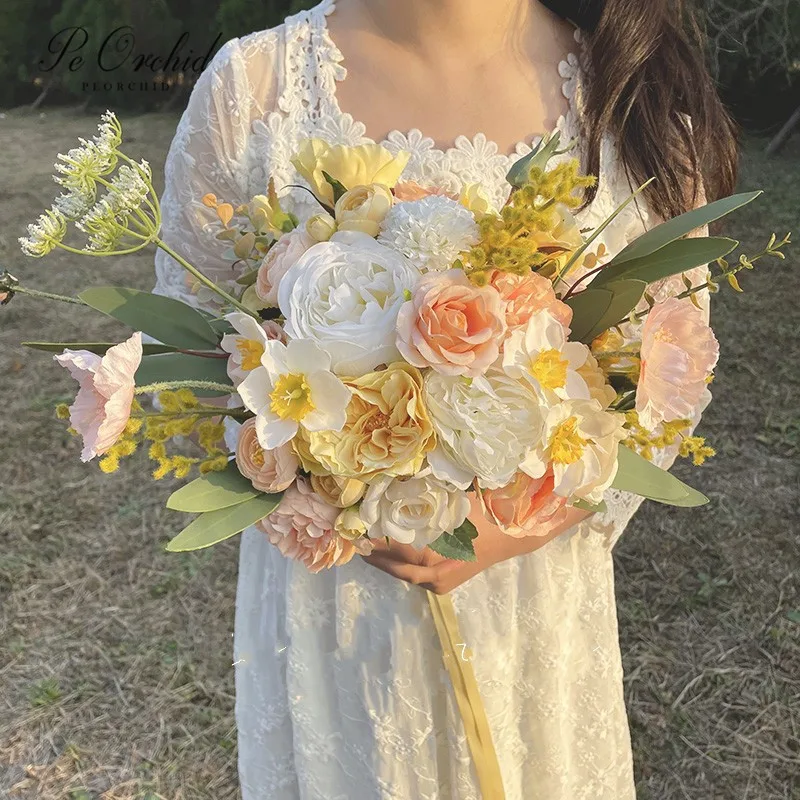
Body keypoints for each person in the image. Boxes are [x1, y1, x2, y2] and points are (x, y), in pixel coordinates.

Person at [152, 0, 737, 797]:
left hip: (531, 607)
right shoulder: (256, 88)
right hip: (337, 611)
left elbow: (673, 370)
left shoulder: (628, 90)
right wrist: (323, 472)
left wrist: (532, 515)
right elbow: (195, 348)